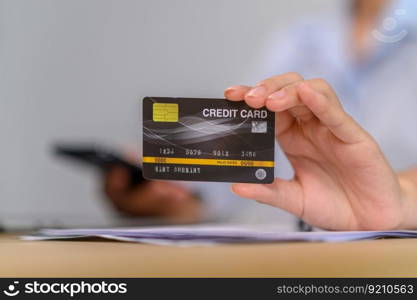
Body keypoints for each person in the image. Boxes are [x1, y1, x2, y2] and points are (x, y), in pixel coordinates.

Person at [104, 0, 417, 229]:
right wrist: (179, 196)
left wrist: (401, 198)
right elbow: (247, 169)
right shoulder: (298, 38)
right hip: (285, 264)